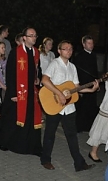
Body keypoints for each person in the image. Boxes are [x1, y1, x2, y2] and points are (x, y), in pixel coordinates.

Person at [40, 39, 98, 171]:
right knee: (50, 134)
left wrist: (91, 90)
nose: (69, 51)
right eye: (65, 49)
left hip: (69, 107)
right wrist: (59, 93)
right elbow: (44, 80)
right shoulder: (54, 64)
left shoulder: (72, 67)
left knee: (72, 136)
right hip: (54, 104)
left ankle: (79, 163)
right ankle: (45, 159)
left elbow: (76, 87)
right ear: (59, 51)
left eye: (70, 49)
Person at [0, 27, 43, 156]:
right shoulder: (16, 53)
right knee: (12, 118)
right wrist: (13, 93)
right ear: (24, 38)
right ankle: (4, 141)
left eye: (35, 35)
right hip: (18, 91)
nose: (34, 38)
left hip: (31, 91)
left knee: (31, 118)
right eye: (31, 35)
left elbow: (37, 69)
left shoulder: (36, 52)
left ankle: (31, 146)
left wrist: (38, 78)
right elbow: (10, 73)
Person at [73, 35, 100, 133]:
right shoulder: (79, 57)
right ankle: (79, 127)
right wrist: (79, 87)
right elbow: (76, 73)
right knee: (82, 107)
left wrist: (97, 83)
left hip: (93, 84)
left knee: (91, 106)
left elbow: (95, 71)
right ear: (84, 44)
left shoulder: (93, 55)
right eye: (89, 43)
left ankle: (89, 127)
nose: (91, 45)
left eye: (92, 43)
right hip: (83, 85)